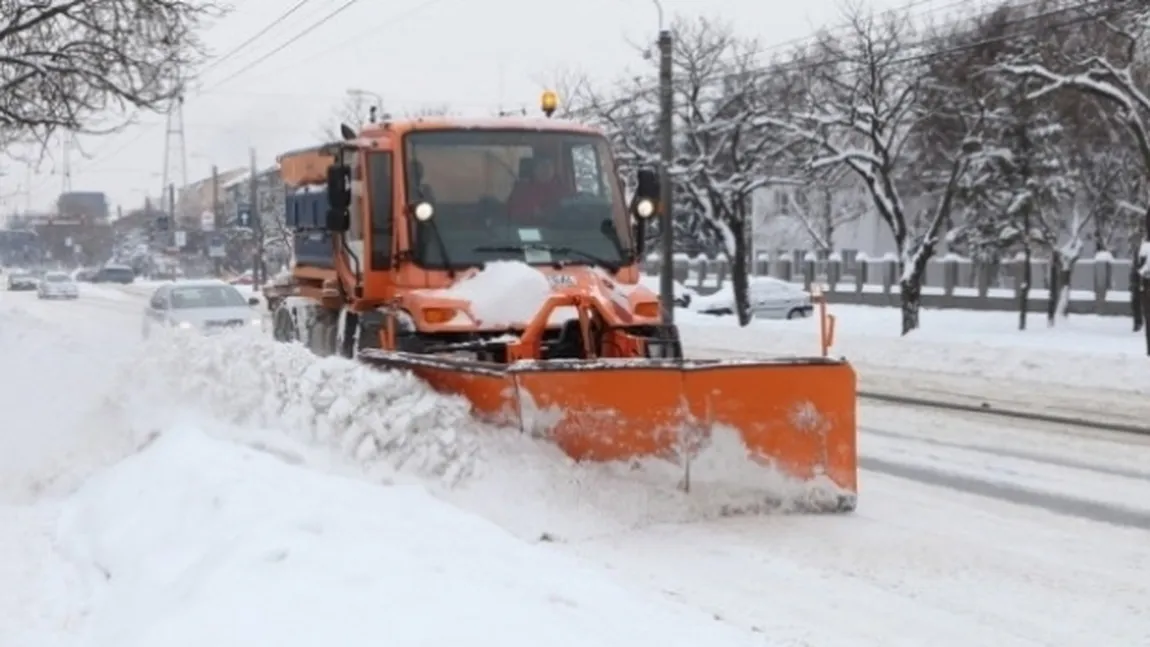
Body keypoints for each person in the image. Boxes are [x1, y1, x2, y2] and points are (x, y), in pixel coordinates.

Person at [507, 155, 565, 222]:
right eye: (542, 166)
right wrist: (532, 213)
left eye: (549, 166)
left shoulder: (562, 189)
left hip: (558, 229)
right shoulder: (522, 190)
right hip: (528, 228)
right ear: (534, 170)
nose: (546, 170)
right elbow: (511, 213)